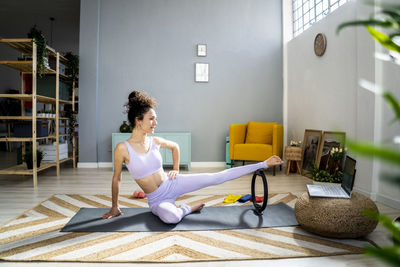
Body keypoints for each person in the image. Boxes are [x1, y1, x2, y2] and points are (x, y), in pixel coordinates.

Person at [102, 91, 284, 224]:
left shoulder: (154, 140)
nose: (155, 123)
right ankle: (187, 209)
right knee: (171, 217)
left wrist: (175, 169)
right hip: (157, 200)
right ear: (138, 120)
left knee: (216, 177)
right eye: (151, 119)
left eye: (155, 118)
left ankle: (263, 163)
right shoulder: (122, 149)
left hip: (172, 183)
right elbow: (116, 178)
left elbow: (175, 146)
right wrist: (114, 206)